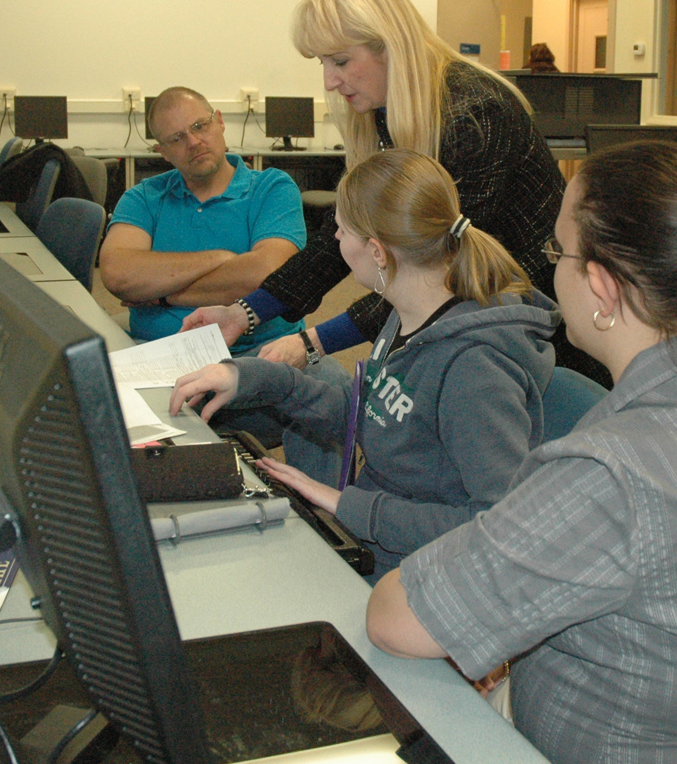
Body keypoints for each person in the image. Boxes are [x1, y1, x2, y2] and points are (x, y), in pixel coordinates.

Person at [365, 142, 677, 764]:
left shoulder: (617, 468)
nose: (551, 267)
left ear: (602, 286)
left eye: (558, 251)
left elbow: (397, 617)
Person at [180, 0, 600, 384]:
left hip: (545, 325)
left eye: (341, 61)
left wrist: (313, 342)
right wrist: (245, 312)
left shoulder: (473, 115)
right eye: (323, 63)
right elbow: (340, 235)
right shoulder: (386, 113)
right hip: (483, 320)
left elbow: (437, 273)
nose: (329, 79)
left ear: (391, 47)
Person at [170, 150, 559, 578]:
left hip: (423, 573)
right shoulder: (408, 314)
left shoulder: (474, 369)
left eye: (340, 229)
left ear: (376, 251)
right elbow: (372, 419)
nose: (334, 239)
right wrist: (248, 377)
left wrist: (345, 505)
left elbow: (498, 525)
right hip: (375, 540)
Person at [98, 87, 305, 354]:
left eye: (200, 126)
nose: (193, 142)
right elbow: (118, 274)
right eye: (176, 138)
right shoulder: (143, 197)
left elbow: (269, 277)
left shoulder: (272, 187)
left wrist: (162, 296)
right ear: (163, 152)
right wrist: (222, 259)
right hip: (158, 352)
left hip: (257, 352)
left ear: (219, 122)